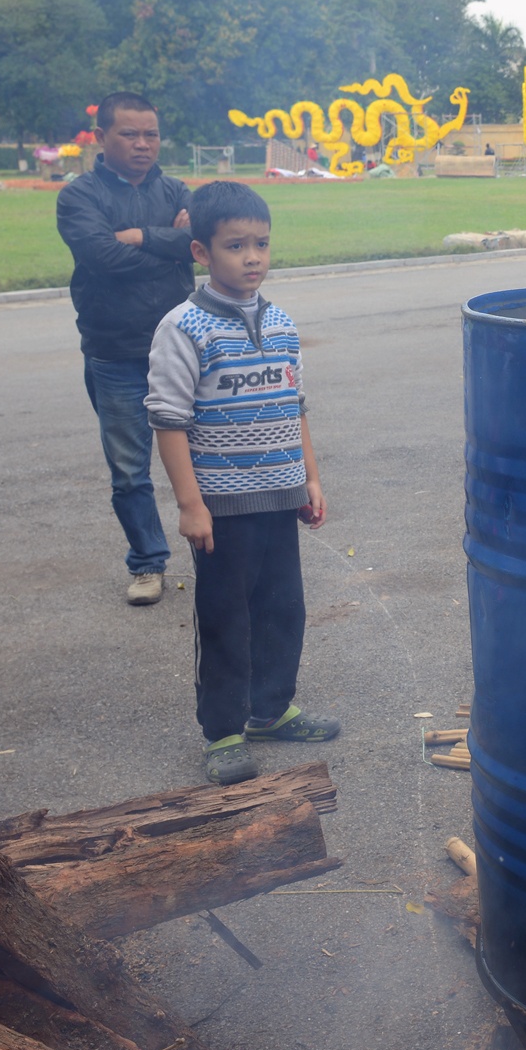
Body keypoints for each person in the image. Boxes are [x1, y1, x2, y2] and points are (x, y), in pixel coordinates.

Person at [146, 181, 337, 785]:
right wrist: (190, 505)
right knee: (228, 617)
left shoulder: (280, 320)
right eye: (235, 246)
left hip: (281, 497)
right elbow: (169, 421)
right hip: (221, 509)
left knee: (283, 610)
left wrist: (309, 478)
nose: (252, 257)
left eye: (261, 244)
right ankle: (224, 731)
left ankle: (271, 710)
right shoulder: (183, 327)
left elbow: (295, 404)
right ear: (201, 252)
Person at [55, 92, 195, 605]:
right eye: (129, 134)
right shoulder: (79, 197)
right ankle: (147, 563)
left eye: (151, 134)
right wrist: (167, 244)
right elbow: (102, 258)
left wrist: (138, 236)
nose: (142, 144)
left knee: (205, 454)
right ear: (102, 137)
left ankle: (215, 547)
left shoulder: (178, 190)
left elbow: (201, 243)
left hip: (181, 349)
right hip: (114, 352)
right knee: (130, 470)